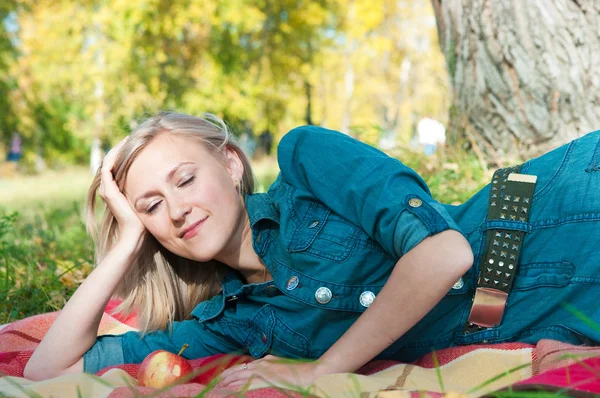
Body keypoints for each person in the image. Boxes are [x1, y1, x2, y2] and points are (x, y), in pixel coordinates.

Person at [24, 112, 600, 389]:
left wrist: (323, 372)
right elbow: (47, 371)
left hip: (559, 211)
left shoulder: (306, 161)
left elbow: (444, 254)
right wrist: (124, 245)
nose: (175, 210)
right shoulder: (233, 326)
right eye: (150, 207)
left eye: (184, 179)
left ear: (229, 163)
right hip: (554, 306)